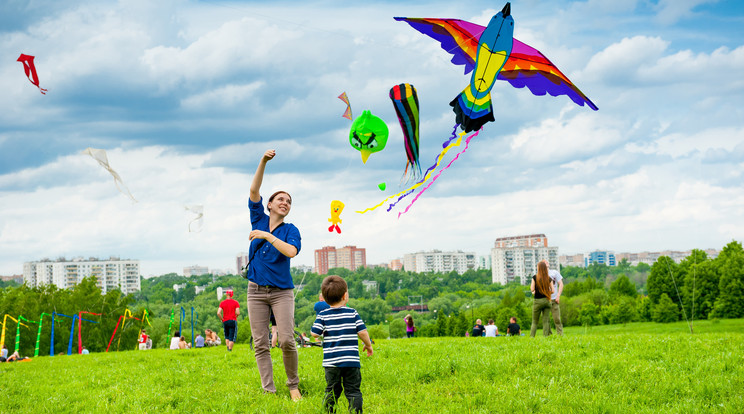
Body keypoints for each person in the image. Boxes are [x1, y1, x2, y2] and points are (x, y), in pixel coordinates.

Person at [246, 149, 303, 400]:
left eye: (288, 201)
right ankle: (269, 390)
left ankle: (293, 386)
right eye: (280, 199)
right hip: (255, 291)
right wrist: (263, 162)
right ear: (269, 205)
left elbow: (291, 251)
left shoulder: (291, 229)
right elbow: (253, 190)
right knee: (261, 344)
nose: (284, 203)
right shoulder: (258, 218)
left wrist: (268, 236)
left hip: (282, 292)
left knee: (288, 341)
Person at [311, 275, 373, 414]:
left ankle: (328, 412)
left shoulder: (323, 315)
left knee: (331, 391)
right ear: (345, 295)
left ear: (325, 299)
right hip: (351, 362)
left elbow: (315, 333)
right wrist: (368, 345)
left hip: (331, 363)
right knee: (353, 392)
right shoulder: (352, 313)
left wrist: (317, 329)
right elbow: (362, 332)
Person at [530, 261, 555, 337]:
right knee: (546, 321)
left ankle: (532, 337)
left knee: (535, 321)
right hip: (547, 301)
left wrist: (535, 292)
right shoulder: (549, 278)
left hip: (537, 301)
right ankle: (545, 336)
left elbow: (532, 289)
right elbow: (553, 290)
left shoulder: (535, 277)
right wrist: (546, 293)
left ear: (539, 268)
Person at [543, 259, 564, 336]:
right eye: (544, 262)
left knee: (557, 319)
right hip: (545, 300)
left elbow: (561, 284)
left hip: (554, 299)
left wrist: (558, 296)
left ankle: (560, 335)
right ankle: (548, 335)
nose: (546, 262)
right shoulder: (540, 275)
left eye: (547, 262)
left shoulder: (554, 273)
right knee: (546, 320)